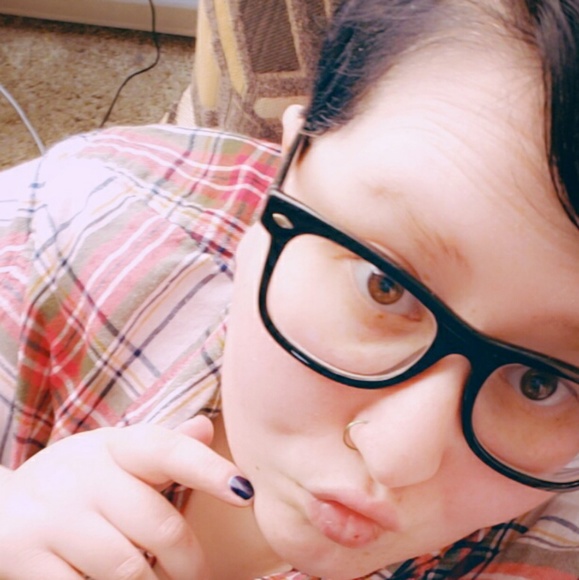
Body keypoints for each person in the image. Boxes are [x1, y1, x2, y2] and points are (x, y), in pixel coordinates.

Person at [0, 0, 578, 578]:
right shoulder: (70, 224)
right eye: (383, 286)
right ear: (288, 162)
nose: (394, 458)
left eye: (540, 382)